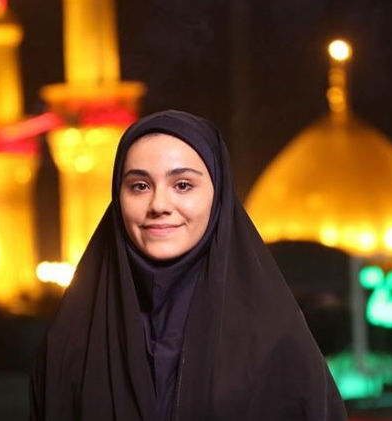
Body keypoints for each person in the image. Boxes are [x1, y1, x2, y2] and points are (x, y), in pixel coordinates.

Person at [29, 110, 347, 421]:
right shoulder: (71, 342)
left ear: (217, 195)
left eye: (182, 185)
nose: (159, 205)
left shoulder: (275, 341)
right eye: (139, 186)